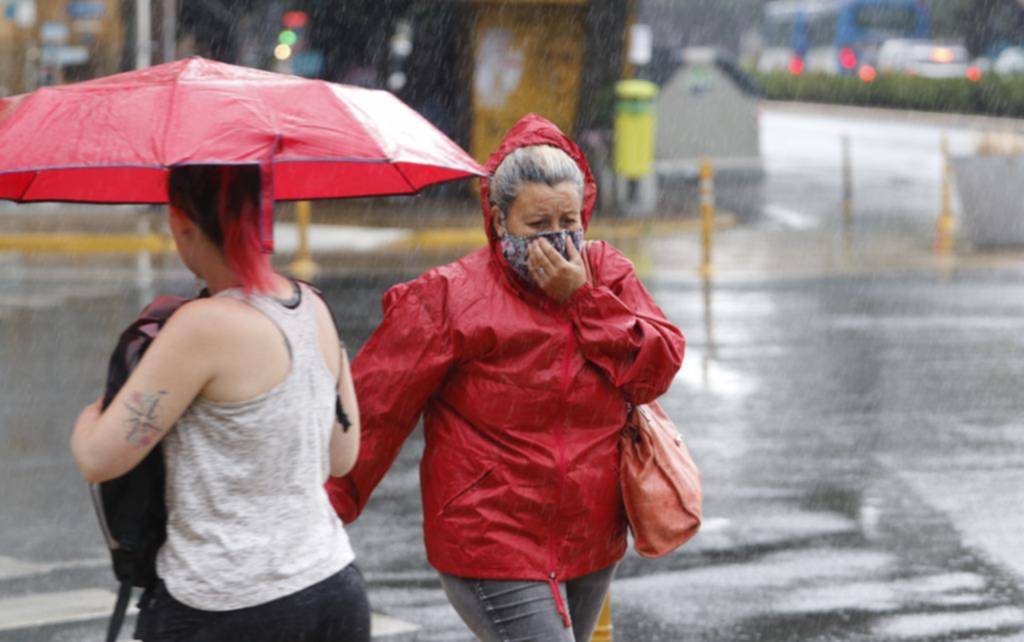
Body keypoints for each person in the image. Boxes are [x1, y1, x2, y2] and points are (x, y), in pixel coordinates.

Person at [326, 114, 684, 641]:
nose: (556, 238)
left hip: (589, 536)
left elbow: (657, 366)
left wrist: (583, 301)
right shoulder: (449, 296)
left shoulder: (605, 275)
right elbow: (376, 408)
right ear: (498, 221)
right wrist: (322, 506)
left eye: (568, 220)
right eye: (537, 225)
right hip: (488, 535)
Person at [70, 165, 370, 642]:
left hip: (226, 606)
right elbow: (342, 456)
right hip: (332, 590)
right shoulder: (313, 305)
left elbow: (98, 457)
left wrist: (95, 413)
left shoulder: (201, 325)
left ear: (180, 223)